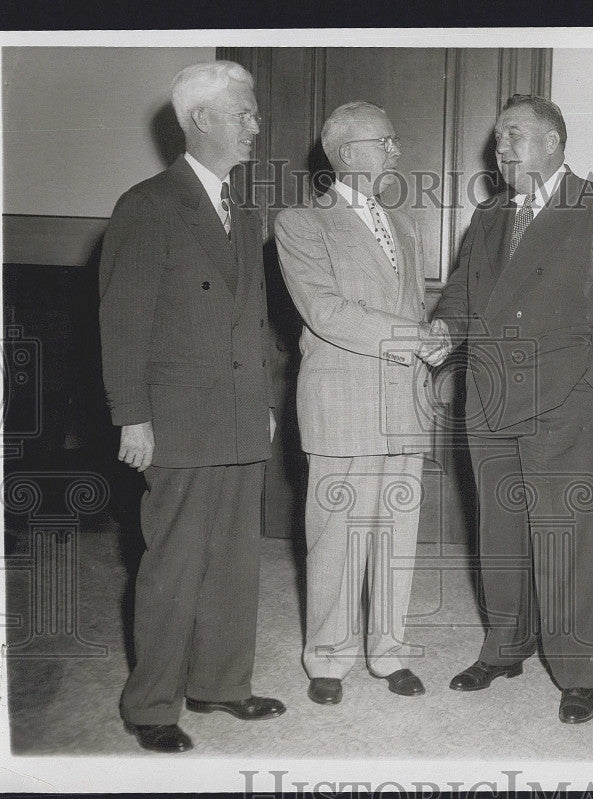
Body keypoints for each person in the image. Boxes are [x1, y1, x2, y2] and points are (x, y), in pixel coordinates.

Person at [421, 94, 593, 724]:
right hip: (488, 398)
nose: (503, 149)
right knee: (499, 531)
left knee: (565, 536)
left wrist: (590, 389)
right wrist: (443, 333)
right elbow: (463, 292)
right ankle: (504, 646)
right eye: (498, 139)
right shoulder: (489, 216)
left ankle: (576, 671)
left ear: (554, 142)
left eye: (514, 135)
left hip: (563, 400)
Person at [99, 61, 284, 753]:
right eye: (246, 112)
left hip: (237, 413)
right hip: (176, 416)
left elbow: (252, 316)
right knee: (174, 563)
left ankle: (220, 684)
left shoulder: (244, 208)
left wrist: (262, 400)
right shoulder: (146, 205)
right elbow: (122, 321)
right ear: (204, 119)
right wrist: (131, 414)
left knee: (236, 559)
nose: (256, 124)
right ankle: (151, 703)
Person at [274, 101, 434, 706]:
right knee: (337, 534)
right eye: (385, 141)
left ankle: (389, 650)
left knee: (397, 533)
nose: (397, 151)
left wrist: (432, 336)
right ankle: (329, 656)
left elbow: (411, 306)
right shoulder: (300, 223)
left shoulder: (406, 224)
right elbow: (326, 312)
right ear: (346, 153)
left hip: (404, 404)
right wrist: (417, 339)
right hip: (342, 404)